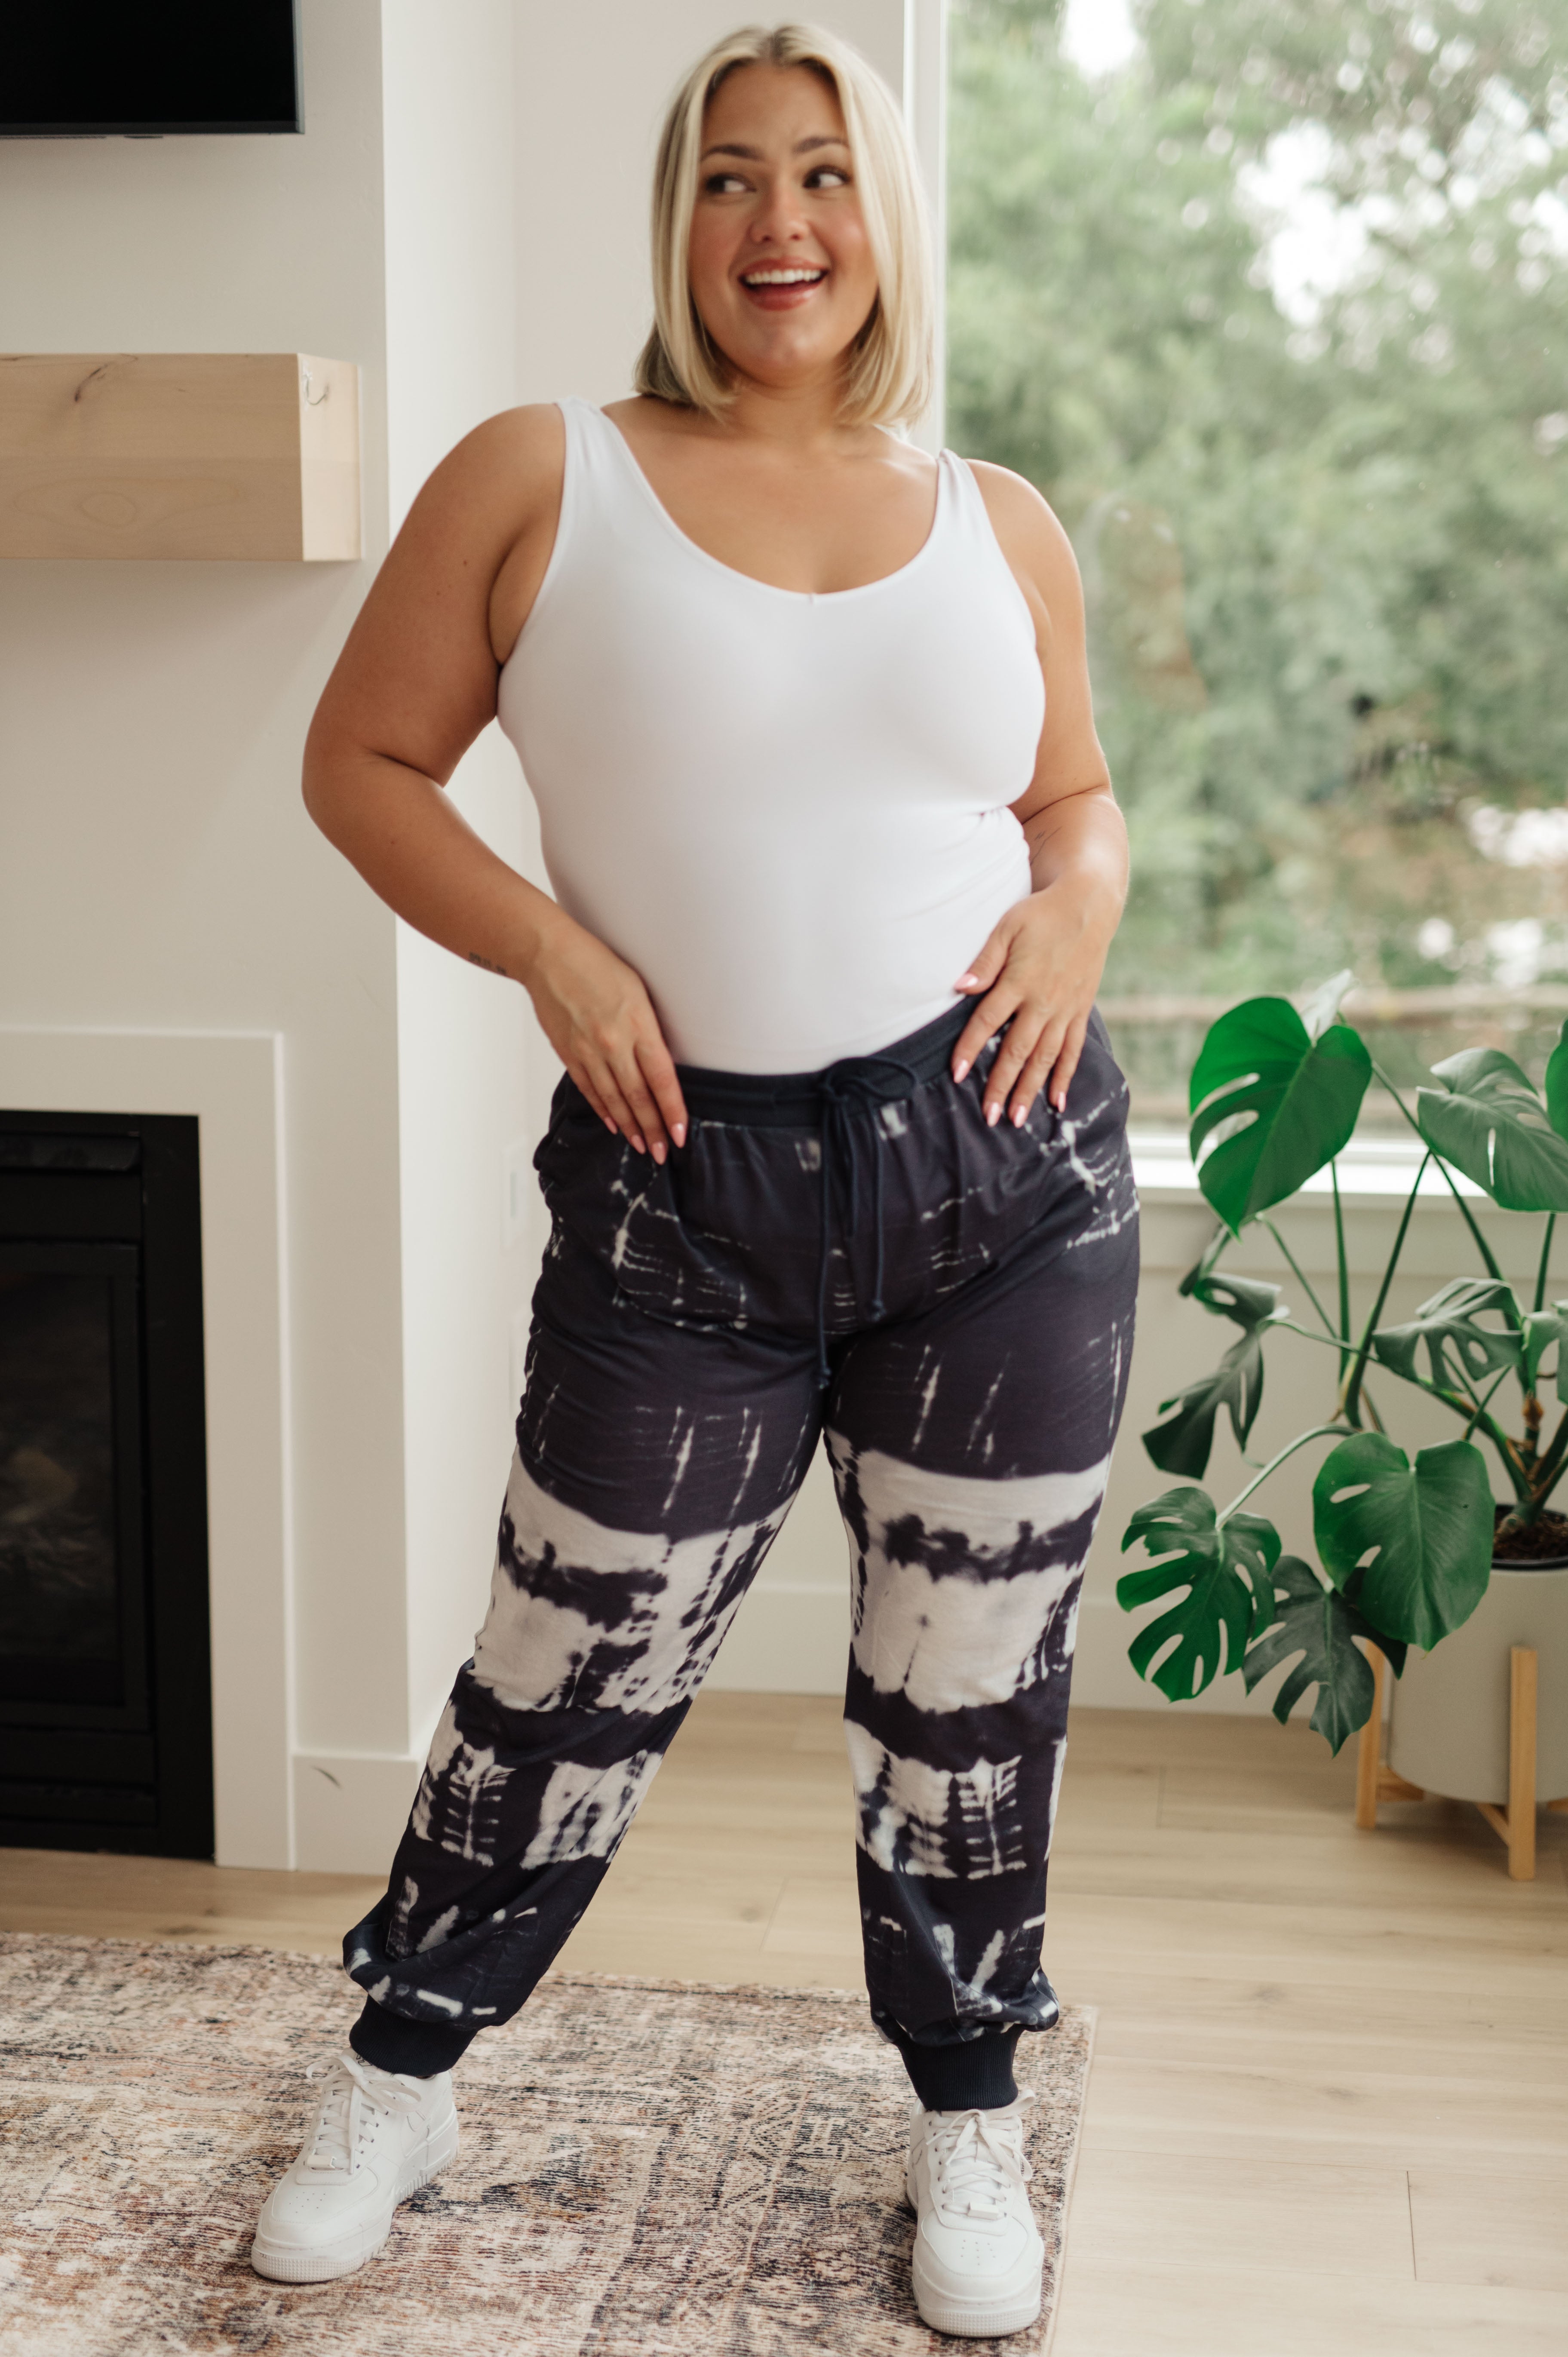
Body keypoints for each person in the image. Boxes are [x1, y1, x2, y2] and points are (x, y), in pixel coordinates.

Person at [249, 21, 1138, 2339]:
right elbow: (362, 764)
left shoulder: (999, 517)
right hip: (683, 1197)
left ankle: (967, 2113)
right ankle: (400, 2074)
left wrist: (1080, 906)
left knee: (969, 1688)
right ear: (680, 221)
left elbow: (1075, 802)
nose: (780, 223)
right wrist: (548, 950)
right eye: (732, 177)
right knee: (563, 1667)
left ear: (885, 218)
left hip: (1004, 1176)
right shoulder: (544, 472)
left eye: (825, 174)